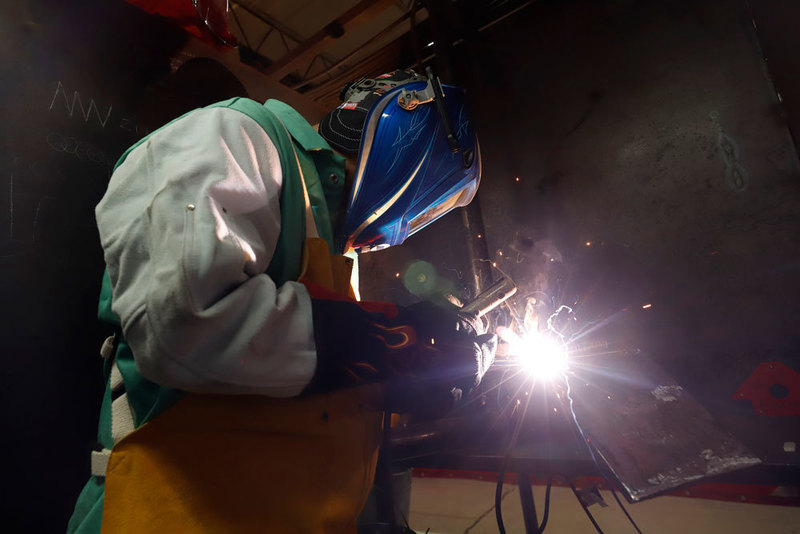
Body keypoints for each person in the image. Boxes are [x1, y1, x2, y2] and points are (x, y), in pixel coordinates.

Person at [67, 67, 496, 533]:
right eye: (430, 206)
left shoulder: (332, 243)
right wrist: (381, 344)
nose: (411, 227)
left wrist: (405, 379)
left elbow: (292, 387)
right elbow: (183, 322)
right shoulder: (232, 137)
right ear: (411, 154)